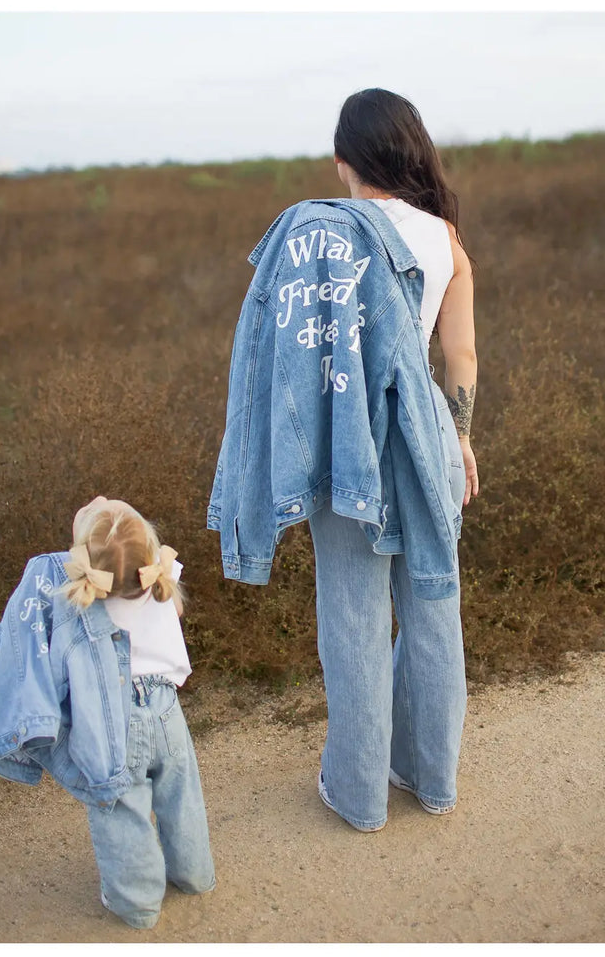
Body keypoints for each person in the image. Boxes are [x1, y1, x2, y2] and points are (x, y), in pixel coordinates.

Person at [208, 88, 478, 832]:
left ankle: (358, 796)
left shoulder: (313, 238)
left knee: (353, 619)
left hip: (347, 442)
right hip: (425, 436)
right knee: (433, 609)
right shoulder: (444, 239)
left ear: (343, 165)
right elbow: (459, 355)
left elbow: (291, 354)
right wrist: (460, 439)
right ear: (411, 150)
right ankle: (431, 779)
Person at [0, 496, 215, 929]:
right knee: (181, 794)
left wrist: (84, 529)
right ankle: (195, 874)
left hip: (113, 715)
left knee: (120, 804)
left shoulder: (84, 599)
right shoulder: (160, 576)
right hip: (167, 710)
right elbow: (174, 607)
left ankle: (138, 903)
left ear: (83, 561)